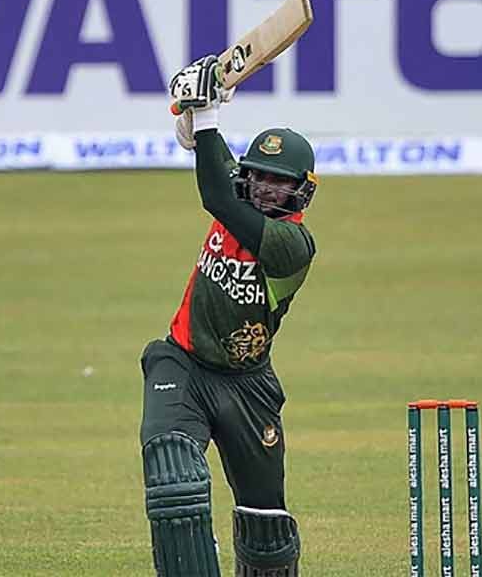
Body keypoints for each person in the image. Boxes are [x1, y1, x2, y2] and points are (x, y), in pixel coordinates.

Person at [139, 55, 319, 577]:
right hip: (183, 363)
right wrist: (196, 115)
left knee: (266, 524)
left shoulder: (292, 245)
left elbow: (216, 193)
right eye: (257, 175)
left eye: (278, 182)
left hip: (248, 385)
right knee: (175, 478)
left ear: (301, 189)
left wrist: (207, 116)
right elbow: (215, 166)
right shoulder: (240, 195)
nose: (264, 188)